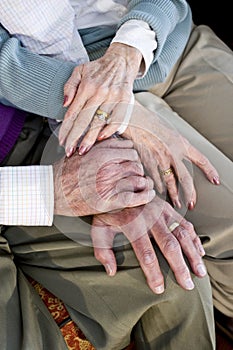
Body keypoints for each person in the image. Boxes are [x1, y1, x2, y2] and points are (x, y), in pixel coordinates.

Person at [0, 0, 232, 348]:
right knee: (218, 231)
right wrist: (115, 110)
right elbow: (17, 64)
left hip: (166, 44)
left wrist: (128, 50)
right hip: (79, 87)